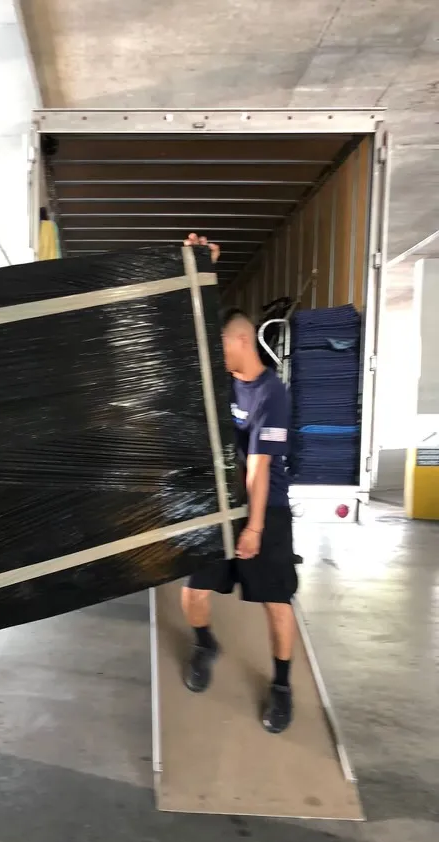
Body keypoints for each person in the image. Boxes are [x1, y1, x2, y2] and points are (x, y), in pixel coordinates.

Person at [181, 235, 297, 734]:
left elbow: (259, 467)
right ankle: (205, 642)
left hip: (265, 507)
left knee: (276, 602)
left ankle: (283, 685)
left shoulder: (272, 394)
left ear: (242, 342)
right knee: (193, 594)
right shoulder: (223, 377)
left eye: (221, 344)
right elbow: (194, 327)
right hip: (220, 502)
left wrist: (252, 528)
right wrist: (200, 269)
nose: (215, 352)